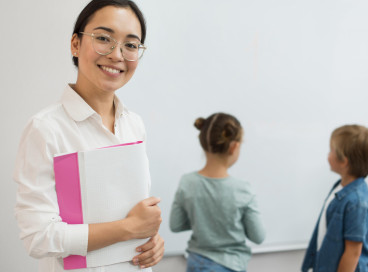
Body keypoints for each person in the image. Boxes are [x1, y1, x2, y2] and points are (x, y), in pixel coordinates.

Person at [13, 1, 164, 271]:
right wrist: (128, 228)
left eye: (131, 45)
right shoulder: (46, 129)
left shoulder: (134, 125)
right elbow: (38, 238)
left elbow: (134, 213)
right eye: (104, 38)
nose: (117, 54)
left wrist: (152, 242)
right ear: (75, 44)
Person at [169, 112, 266, 272]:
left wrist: (201, 219)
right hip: (230, 265)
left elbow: (176, 225)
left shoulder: (187, 182)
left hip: (195, 263)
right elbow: (258, 236)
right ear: (234, 146)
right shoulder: (242, 189)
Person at [301, 125, 368, 271]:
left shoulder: (357, 202)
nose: (328, 155)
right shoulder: (340, 187)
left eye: (331, 150)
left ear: (344, 161)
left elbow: (353, 252)